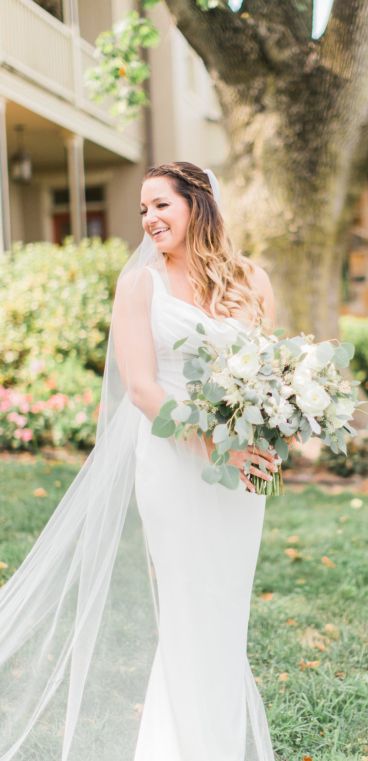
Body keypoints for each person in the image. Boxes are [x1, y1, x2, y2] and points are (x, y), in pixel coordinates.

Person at [0, 162, 279, 760]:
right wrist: (216, 443)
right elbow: (143, 389)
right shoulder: (141, 286)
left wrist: (273, 431)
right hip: (174, 463)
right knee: (186, 607)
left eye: (161, 205)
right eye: (143, 210)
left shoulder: (252, 280)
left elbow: (268, 377)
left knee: (227, 610)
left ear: (198, 204)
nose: (149, 219)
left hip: (240, 473)